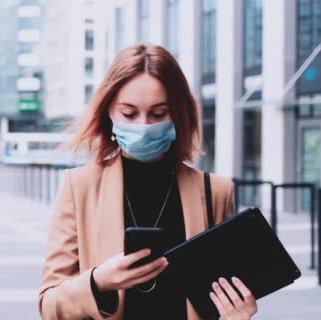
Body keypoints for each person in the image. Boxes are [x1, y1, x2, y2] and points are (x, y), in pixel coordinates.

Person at [38, 44, 258, 320]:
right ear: (108, 112)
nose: (143, 125)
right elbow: (49, 305)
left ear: (179, 114)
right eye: (129, 113)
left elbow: (223, 295)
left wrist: (237, 313)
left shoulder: (216, 191)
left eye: (158, 114)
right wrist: (99, 282)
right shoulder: (78, 186)